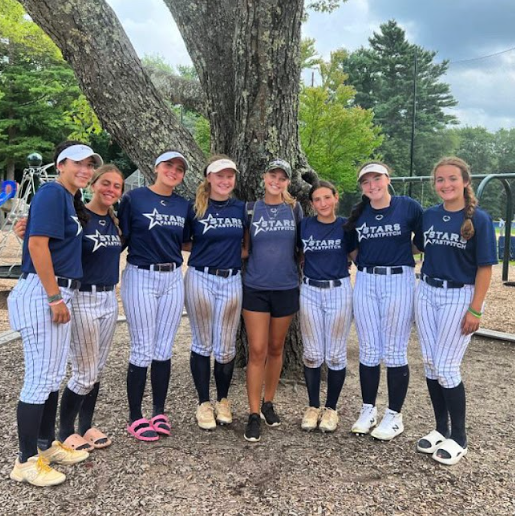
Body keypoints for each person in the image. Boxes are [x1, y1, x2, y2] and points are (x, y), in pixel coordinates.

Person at [8, 141, 102, 486]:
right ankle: (25, 461)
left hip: (60, 290)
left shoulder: (68, 199)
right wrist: (53, 297)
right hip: (46, 291)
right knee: (38, 380)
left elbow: (39, 238)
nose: (85, 170)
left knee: (50, 376)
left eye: (90, 165)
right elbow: (37, 245)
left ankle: (46, 446)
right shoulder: (51, 192)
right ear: (60, 164)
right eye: (78, 163)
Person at [415, 157, 497, 465]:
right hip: (426, 291)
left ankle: (459, 438)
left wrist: (475, 310)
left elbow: (485, 268)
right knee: (430, 364)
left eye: (452, 179)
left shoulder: (480, 219)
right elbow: (418, 247)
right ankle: (440, 429)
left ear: (465, 182)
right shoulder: (430, 215)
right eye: (440, 179)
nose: (446, 184)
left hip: (459, 295)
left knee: (446, 366)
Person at [344, 162, 423, 441]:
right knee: (368, 349)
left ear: (387, 179)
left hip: (399, 278)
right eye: (366, 181)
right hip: (366, 279)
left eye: (376, 178)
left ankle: (394, 415)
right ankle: (368, 410)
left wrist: (399, 252)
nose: (372, 185)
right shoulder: (360, 212)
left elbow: (422, 241)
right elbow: (351, 246)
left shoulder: (407, 206)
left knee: (394, 350)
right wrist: (366, 263)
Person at [118, 150, 191, 442]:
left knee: (163, 349)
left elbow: (186, 242)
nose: (173, 171)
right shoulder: (134, 199)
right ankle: (135, 416)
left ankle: (159, 411)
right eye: (168, 165)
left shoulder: (183, 205)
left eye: (179, 168)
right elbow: (119, 238)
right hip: (141, 274)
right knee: (142, 349)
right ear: (156, 167)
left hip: (173, 276)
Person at [57, 165, 124, 450]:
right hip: (83, 297)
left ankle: (86, 426)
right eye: (105, 183)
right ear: (93, 184)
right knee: (84, 372)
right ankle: (64, 431)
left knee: (96, 368)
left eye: (117, 186)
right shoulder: (78, 216)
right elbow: (52, 244)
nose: (111, 190)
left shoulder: (114, 220)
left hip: (109, 297)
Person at [242, 159, 303, 443]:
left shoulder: (295, 209)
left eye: (282, 177)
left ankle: (268, 403)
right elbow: (244, 247)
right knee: (257, 349)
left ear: (288, 182)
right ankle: (253, 414)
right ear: (264, 177)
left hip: (286, 286)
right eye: (272, 175)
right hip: (255, 286)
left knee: (276, 347)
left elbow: (302, 245)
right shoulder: (251, 209)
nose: (276, 181)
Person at [184, 156, 246, 430]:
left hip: (231, 278)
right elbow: (185, 241)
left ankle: (223, 400)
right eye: (219, 176)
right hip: (201, 276)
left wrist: (228, 256)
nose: (225, 181)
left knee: (226, 346)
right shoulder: (195, 208)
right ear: (208, 178)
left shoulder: (241, 208)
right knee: (202, 342)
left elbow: (246, 246)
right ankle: (203, 402)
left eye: (229, 176)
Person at [299, 181, 356, 433]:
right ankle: (313, 406)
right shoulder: (305, 226)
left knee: (334, 354)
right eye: (317, 199)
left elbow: (357, 256)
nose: (322, 203)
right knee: (312, 353)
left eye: (326, 198)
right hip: (310, 289)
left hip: (338, 289)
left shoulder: (345, 225)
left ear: (335, 198)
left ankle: (331, 408)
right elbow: (298, 254)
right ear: (312, 204)